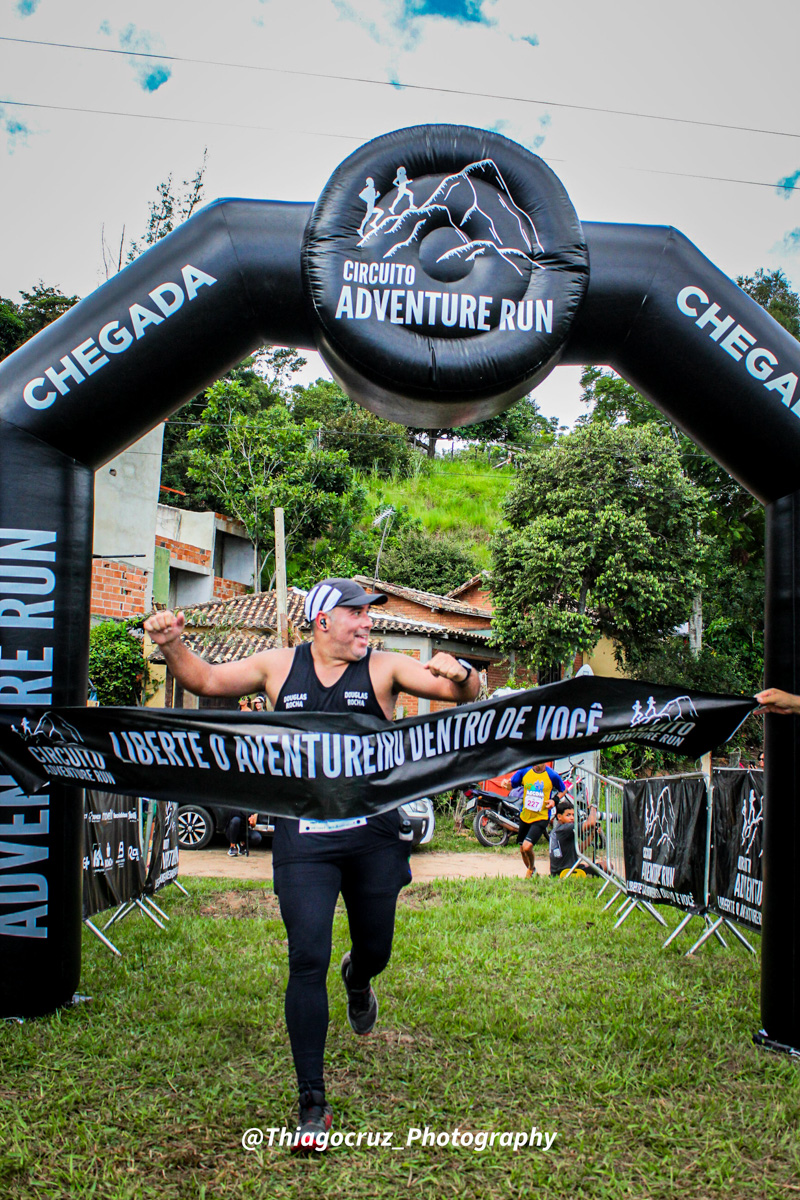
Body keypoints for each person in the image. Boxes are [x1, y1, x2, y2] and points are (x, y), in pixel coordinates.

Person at [143, 577, 479, 1151]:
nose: (368, 623)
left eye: (369, 615)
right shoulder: (279, 667)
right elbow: (206, 680)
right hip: (304, 839)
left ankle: (359, 980)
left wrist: (462, 671)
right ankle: (312, 1103)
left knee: (375, 949)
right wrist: (173, 644)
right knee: (306, 958)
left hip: (373, 837)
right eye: (357, 615)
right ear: (324, 621)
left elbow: (462, 695)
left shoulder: (384, 669)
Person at [509, 761, 566, 878]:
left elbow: (563, 789)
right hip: (525, 816)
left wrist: (554, 800)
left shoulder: (552, 775)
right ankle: (533, 871)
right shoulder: (524, 771)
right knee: (522, 849)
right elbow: (511, 784)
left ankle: (530, 869)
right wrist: (506, 784)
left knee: (527, 846)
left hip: (541, 817)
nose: (536, 764)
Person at [549, 799, 608, 878]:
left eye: (573, 815)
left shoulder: (557, 830)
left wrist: (591, 835)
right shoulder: (566, 828)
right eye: (568, 815)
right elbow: (590, 823)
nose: (572, 818)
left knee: (588, 865)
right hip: (568, 872)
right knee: (607, 865)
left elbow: (578, 850)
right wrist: (593, 808)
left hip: (558, 872)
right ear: (559, 817)